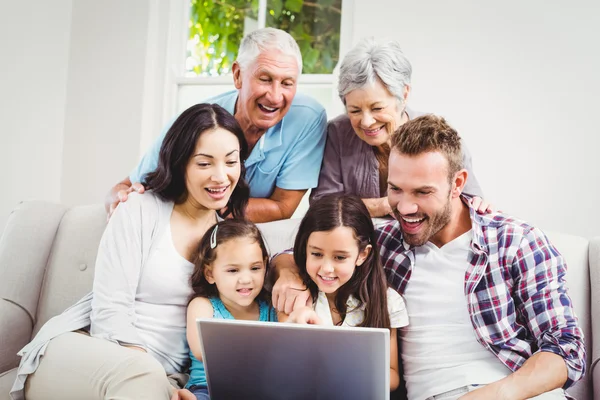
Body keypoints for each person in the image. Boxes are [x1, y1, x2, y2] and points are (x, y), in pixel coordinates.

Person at [273, 115, 585, 399]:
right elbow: (306, 253)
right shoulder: (383, 245)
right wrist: (287, 271)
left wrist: (492, 395)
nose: (405, 208)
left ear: (457, 184)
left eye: (423, 192)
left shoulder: (515, 241)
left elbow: (566, 349)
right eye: (396, 189)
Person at [11, 103, 250, 400]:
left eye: (231, 162)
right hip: (88, 353)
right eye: (204, 163)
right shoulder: (140, 209)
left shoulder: (230, 240)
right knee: (142, 377)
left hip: (160, 379)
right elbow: (110, 308)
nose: (221, 176)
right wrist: (144, 367)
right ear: (180, 164)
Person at [107, 28, 327, 223]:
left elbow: (282, 207)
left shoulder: (308, 118)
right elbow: (124, 187)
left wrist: (209, 203)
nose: (275, 96)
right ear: (238, 75)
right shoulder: (195, 121)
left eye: (287, 83)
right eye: (265, 79)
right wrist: (120, 199)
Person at [310, 38, 489, 217]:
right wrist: (382, 205)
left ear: (404, 94)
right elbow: (322, 205)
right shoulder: (337, 133)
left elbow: (469, 201)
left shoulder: (438, 135)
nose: (366, 121)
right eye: (355, 110)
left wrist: (477, 205)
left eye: (377, 108)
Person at [283, 194, 408, 392]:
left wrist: (347, 368)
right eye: (316, 254)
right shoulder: (296, 293)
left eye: (340, 257)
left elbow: (392, 377)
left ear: (362, 255)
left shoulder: (387, 301)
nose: (326, 269)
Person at [175, 219, 277, 400]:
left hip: (258, 389)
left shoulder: (270, 308)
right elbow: (202, 351)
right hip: (208, 388)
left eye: (255, 268)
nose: (246, 279)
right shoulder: (203, 306)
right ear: (210, 274)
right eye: (233, 270)